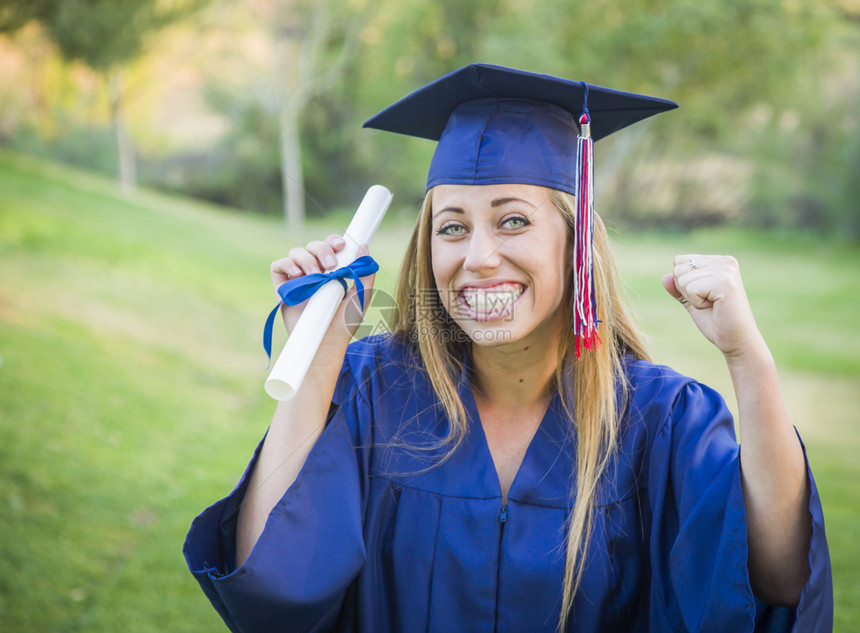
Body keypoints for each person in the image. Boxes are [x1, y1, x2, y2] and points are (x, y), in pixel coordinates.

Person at [184, 64, 832, 632]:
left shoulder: (660, 419)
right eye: (452, 227)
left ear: (575, 240)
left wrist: (748, 357)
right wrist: (318, 355)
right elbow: (270, 589)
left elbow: (775, 577)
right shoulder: (372, 389)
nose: (479, 257)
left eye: (513, 219)